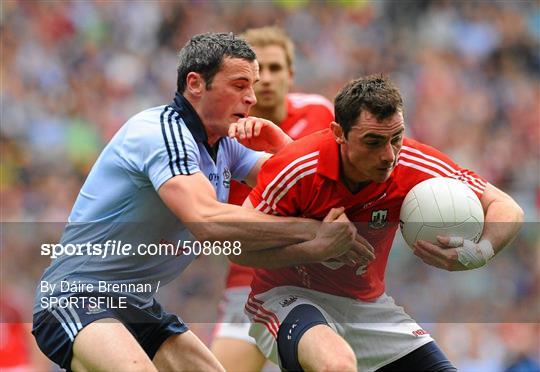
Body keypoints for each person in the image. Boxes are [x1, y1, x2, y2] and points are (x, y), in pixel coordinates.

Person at [31, 32, 371, 372]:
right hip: (75, 298)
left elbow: (300, 191)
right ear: (195, 84)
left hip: (134, 304)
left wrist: (284, 147)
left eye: (251, 86)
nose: (251, 98)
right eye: (239, 85)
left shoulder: (224, 143)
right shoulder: (162, 134)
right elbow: (208, 221)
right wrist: (313, 233)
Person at [234, 74, 524, 371]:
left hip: (367, 307)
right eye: (372, 141)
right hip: (287, 298)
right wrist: (314, 247)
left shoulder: (413, 163)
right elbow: (236, 246)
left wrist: (481, 252)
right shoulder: (297, 166)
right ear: (339, 133)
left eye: (395, 138)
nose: (389, 155)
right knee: (336, 365)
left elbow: (506, 207)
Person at [210, 26, 334, 372]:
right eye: (256, 72)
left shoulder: (320, 114)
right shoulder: (224, 135)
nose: (266, 80)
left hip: (319, 279)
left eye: (275, 69)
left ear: (291, 75)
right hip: (251, 281)